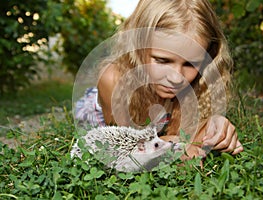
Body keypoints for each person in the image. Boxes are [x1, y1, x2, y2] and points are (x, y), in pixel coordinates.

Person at [74, 0, 243, 162]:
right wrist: (171, 144)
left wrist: (211, 127)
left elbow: (186, 138)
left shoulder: (198, 82)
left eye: (191, 64)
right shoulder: (113, 80)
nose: (176, 78)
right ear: (138, 48)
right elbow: (127, 147)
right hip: (99, 110)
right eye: (162, 61)